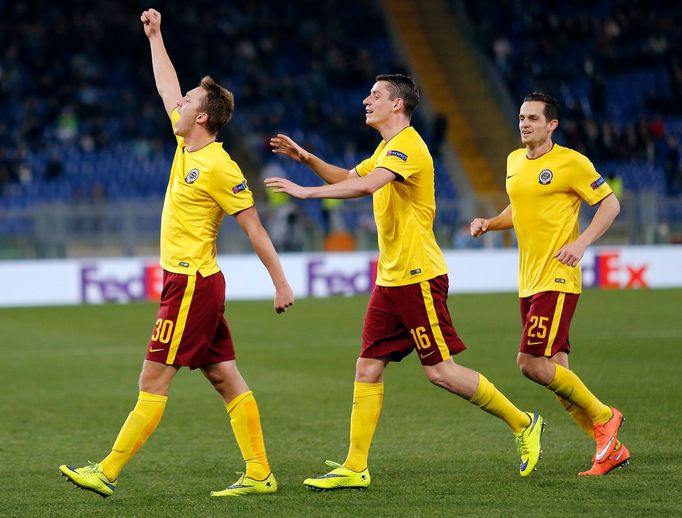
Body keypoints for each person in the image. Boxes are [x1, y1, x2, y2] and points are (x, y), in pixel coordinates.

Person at [265, 74, 544, 490]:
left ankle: (524, 424)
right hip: (391, 279)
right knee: (367, 366)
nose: (366, 100)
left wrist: (305, 194)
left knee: (441, 372)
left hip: (418, 277)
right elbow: (347, 176)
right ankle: (356, 466)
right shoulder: (386, 148)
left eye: (375, 95)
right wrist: (305, 157)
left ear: (397, 105)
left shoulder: (409, 146)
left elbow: (366, 184)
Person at [59, 9, 294, 498]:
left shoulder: (219, 166)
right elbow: (167, 86)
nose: (179, 102)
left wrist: (281, 282)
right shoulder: (185, 143)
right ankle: (259, 474)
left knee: (153, 376)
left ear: (202, 116)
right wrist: (156, 36)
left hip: (191, 284)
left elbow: (253, 227)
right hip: (189, 281)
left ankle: (106, 472)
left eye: (188, 101)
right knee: (224, 376)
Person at [470, 92, 629, 476]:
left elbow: (610, 204)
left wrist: (580, 243)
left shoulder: (571, 162)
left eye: (533, 119)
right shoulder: (513, 161)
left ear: (551, 124)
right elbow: (519, 207)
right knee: (559, 373)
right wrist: (490, 223)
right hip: (528, 280)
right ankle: (610, 449)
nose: (524, 124)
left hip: (557, 277)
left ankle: (607, 417)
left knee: (529, 363)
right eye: (521, 118)